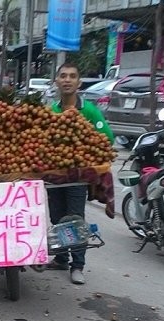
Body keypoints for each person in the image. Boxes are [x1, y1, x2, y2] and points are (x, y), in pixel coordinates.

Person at [47, 62, 114, 285]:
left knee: (74, 219)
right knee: (56, 218)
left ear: (79, 83)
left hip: (77, 178)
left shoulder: (89, 110)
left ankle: (78, 265)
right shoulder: (52, 111)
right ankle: (60, 258)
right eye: (63, 76)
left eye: (72, 76)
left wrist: (84, 148)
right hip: (54, 176)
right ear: (56, 81)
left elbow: (107, 139)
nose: (67, 80)